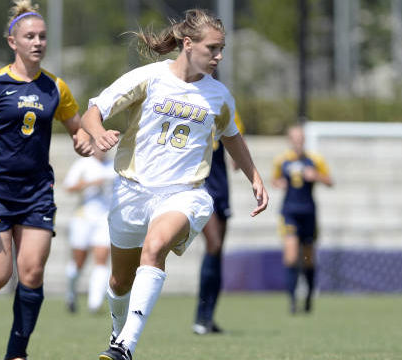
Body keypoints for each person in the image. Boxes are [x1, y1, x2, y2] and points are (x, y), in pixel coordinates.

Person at [80, 9, 269, 360]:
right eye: (212, 48)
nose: (219, 56)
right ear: (187, 44)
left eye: (222, 48)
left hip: (184, 194)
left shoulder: (219, 96)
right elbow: (94, 111)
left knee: (154, 249)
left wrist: (255, 177)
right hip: (132, 192)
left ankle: (124, 348)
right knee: (120, 281)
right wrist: (98, 132)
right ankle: (117, 331)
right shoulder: (149, 78)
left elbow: (232, 137)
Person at [0, 1, 92, 359]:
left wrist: (83, 141)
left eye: (43, 36)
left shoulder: (55, 87)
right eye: (29, 36)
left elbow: (76, 127)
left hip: (36, 192)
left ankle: (17, 353)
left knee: (31, 273)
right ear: (12, 42)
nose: (37, 42)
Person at [272, 124, 333, 315]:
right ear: (290, 141)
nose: (297, 142)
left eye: (300, 138)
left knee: (308, 258)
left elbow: (330, 181)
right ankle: (292, 301)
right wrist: (279, 183)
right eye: (294, 139)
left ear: (304, 140)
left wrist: (316, 176)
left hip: (309, 212)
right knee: (290, 256)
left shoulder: (315, 160)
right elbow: (274, 180)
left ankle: (308, 297)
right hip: (289, 212)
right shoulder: (281, 161)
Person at [192, 111, 244, 335]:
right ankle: (200, 317)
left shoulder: (225, 108)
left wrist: (238, 158)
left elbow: (237, 140)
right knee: (213, 245)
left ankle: (208, 316)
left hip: (220, 186)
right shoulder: (187, 105)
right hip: (199, 185)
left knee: (218, 251)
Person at [63, 147, 115, 314]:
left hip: (104, 218)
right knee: (78, 261)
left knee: (102, 258)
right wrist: (90, 183)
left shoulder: (113, 165)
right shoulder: (83, 164)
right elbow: (68, 187)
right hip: (83, 217)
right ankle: (71, 294)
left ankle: (95, 302)